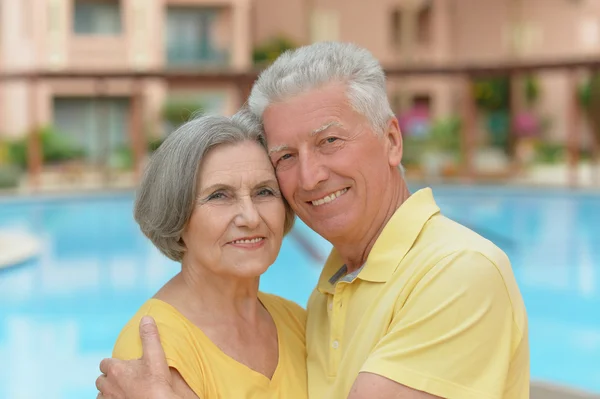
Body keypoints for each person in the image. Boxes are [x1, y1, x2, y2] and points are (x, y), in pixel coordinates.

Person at [97, 41, 529, 399]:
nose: (309, 176)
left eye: (330, 141)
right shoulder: (322, 301)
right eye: (286, 157)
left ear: (392, 141)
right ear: (178, 216)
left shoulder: (458, 271)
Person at [98, 112, 308, 398]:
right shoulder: (152, 352)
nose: (250, 216)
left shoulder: (296, 321)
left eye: (264, 192)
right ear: (178, 215)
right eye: (219, 195)